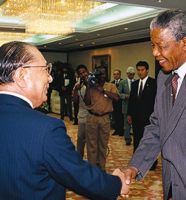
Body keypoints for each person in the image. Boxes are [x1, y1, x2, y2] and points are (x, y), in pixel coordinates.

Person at [0, 41, 130, 200]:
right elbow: (79, 176)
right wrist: (118, 184)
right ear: (21, 76)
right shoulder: (46, 128)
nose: (49, 78)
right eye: (45, 69)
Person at [124, 9, 186, 200]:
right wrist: (135, 166)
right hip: (171, 186)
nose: (154, 53)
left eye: (160, 46)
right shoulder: (164, 77)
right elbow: (158, 126)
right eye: (152, 45)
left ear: (184, 43)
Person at [84, 66, 119, 171]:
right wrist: (89, 87)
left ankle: (101, 168)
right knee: (92, 145)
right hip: (92, 117)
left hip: (104, 118)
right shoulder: (91, 85)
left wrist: (103, 90)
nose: (102, 75)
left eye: (104, 73)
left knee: (103, 145)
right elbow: (87, 102)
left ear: (106, 74)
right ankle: (92, 169)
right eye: (100, 74)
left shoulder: (111, 86)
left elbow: (117, 98)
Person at [127, 61, 157, 170]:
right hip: (136, 117)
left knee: (149, 140)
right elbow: (132, 100)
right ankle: (137, 162)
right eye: (138, 70)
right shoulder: (135, 84)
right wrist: (129, 114)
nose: (140, 72)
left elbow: (156, 101)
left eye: (142, 70)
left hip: (149, 117)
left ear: (147, 70)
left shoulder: (154, 83)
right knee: (137, 139)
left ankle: (151, 164)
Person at [73, 64, 88, 157]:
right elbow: (75, 101)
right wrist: (75, 90)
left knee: (93, 141)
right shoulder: (78, 85)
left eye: (84, 72)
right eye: (80, 73)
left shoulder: (94, 83)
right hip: (82, 115)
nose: (83, 74)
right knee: (80, 139)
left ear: (87, 71)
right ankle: (79, 160)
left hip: (93, 115)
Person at [118, 66, 135, 145]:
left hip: (135, 107)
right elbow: (118, 94)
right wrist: (125, 96)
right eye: (130, 74)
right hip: (126, 106)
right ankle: (127, 139)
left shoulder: (136, 82)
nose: (132, 76)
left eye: (133, 74)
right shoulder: (123, 82)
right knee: (127, 124)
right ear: (127, 74)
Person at [111, 69, 124, 136]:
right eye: (114, 74)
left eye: (117, 74)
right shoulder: (112, 83)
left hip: (121, 102)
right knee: (115, 116)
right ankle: (116, 130)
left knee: (120, 117)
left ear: (120, 75)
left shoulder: (123, 82)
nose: (115, 75)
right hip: (114, 103)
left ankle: (121, 130)